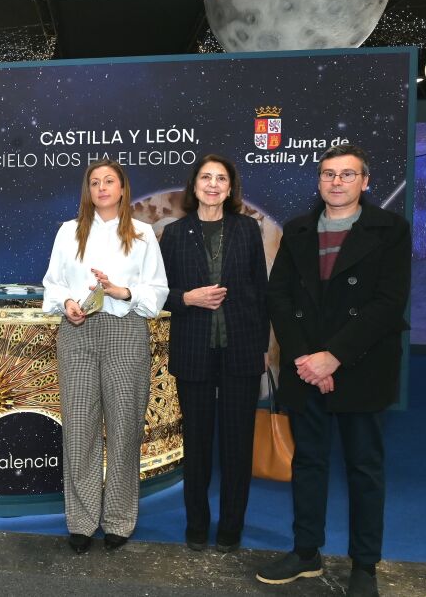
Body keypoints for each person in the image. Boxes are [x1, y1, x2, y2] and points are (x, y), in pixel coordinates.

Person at [256, 144, 410, 597]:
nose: (336, 182)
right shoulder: (298, 230)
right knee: (308, 463)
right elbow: (279, 297)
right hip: (306, 369)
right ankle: (306, 552)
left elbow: (388, 303)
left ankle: (365, 566)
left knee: (364, 468)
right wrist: (307, 360)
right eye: (328, 174)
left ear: (365, 181)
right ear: (319, 181)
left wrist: (334, 356)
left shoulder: (391, 230)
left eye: (347, 174)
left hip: (362, 367)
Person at [41, 159, 168, 554]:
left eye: (109, 181)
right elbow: (53, 283)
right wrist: (67, 302)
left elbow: (157, 290)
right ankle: (81, 521)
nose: (101, 187)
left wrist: (122, 292)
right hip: (77, 332)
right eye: (94, 182)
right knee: (80, 428)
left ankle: (118, 519)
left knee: (124, 428)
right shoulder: (68, 231)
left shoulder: (142, 234)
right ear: (88, 190)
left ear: (122, 188)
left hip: (125, 330)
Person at [159, 155, 268, 553]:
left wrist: (262, 346)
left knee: (238, 445)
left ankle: (231, 527)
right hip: (193, 351)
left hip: (241, 350)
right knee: (197, 444)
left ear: (230, 187)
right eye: (206, 177)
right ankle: (197, 524)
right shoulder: (174, 233)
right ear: (194, 185)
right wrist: (188, 298)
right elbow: (160, 294)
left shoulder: (247, 229)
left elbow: (260, 291)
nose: (213, 184)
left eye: (221, 178)